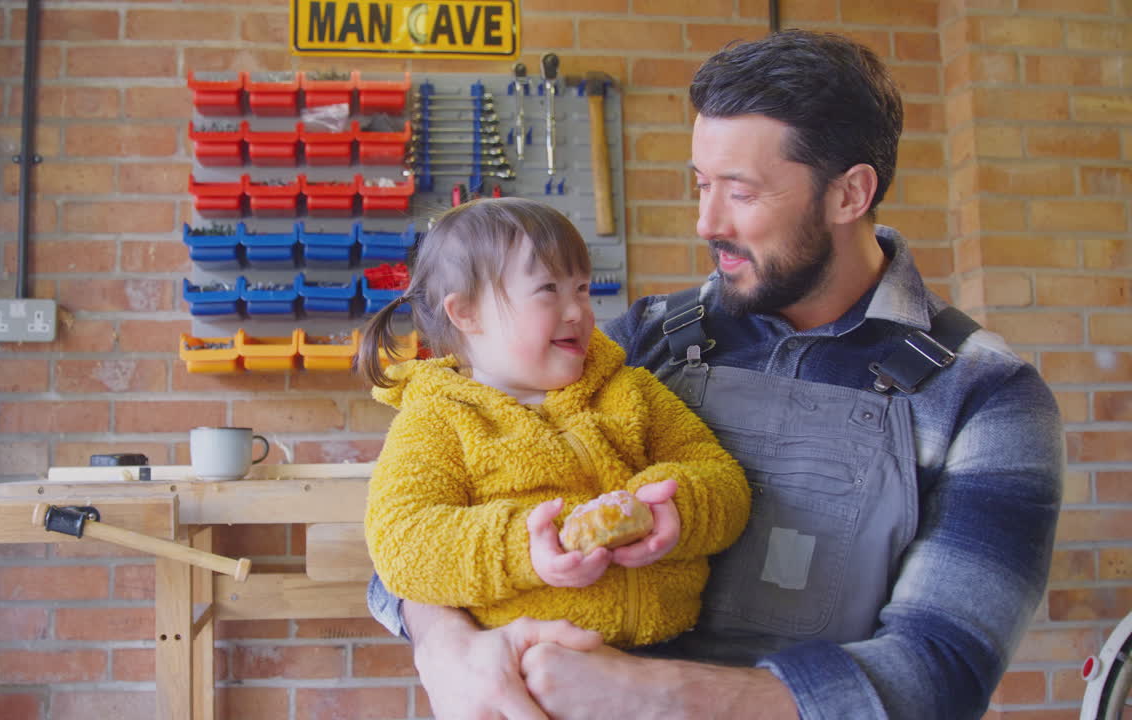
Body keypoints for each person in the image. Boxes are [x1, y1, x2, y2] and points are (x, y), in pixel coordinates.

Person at [365, 29, 1063, 720]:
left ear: (850, 194)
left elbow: (940, 674)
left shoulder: (987, 399)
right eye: (701, 184)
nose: (705, 221)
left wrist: (653, 696)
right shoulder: (639, 343)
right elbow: (409, 546)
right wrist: (447, 648)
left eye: (741, 192)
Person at [357, 197, 750, 649]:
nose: (576, 311)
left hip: (672, 657)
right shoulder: (437, 421)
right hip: (531, 672)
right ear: (466, 313)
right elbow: (403, 544)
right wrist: (528, 547)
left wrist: (675, 509)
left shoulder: (631, 391)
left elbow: (723, 479)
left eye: (581, 289)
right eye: (549, 289)